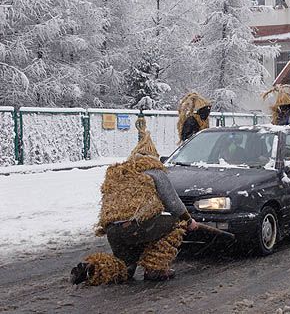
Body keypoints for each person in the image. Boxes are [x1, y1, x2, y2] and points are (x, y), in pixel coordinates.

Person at [70, 117, 198, 285]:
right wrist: (188, 221)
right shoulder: (154, 171)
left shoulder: (121, 172)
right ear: (153, 156)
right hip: (138, 227)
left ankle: (93, 268)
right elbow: (173, 204)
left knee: (125, 268)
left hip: (114, 231)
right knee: (174, 223)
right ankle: (155, 268)